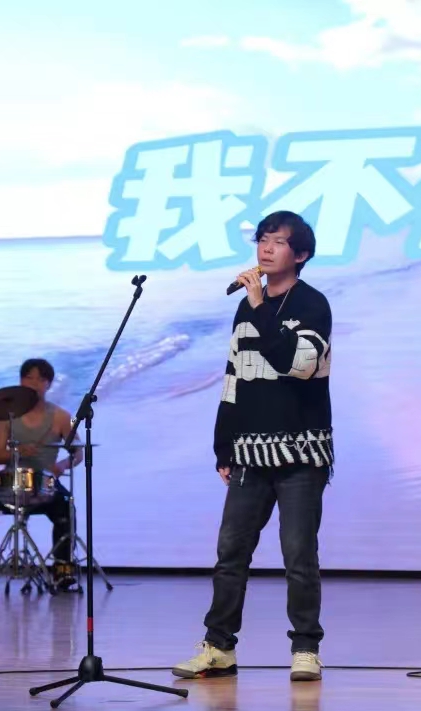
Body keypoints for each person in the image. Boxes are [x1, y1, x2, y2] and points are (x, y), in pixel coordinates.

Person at [172, 210, 333, 682]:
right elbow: (234, 379)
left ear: (300, 254)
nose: (265, 248)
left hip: (301, 452)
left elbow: (298, 365)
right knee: (231, 553)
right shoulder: (247, 308)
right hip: (249, 453)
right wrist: (223, 446)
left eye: (278, 241)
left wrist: (260, 304)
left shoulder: (313, 304)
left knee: (298, 555)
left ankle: (306, 649)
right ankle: (219, 647)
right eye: (262, 239)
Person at [0, 358, 84, 588]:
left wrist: (62, 465)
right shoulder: (6, 415)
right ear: (20, 381)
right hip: (10, 482)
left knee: (66, 507)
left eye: (40, 379)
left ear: (49, 384)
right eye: (28, 377)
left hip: (45, 482)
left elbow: (78, 452)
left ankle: (62, 569)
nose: (34, 383)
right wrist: (18, 450)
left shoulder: (63, 416)